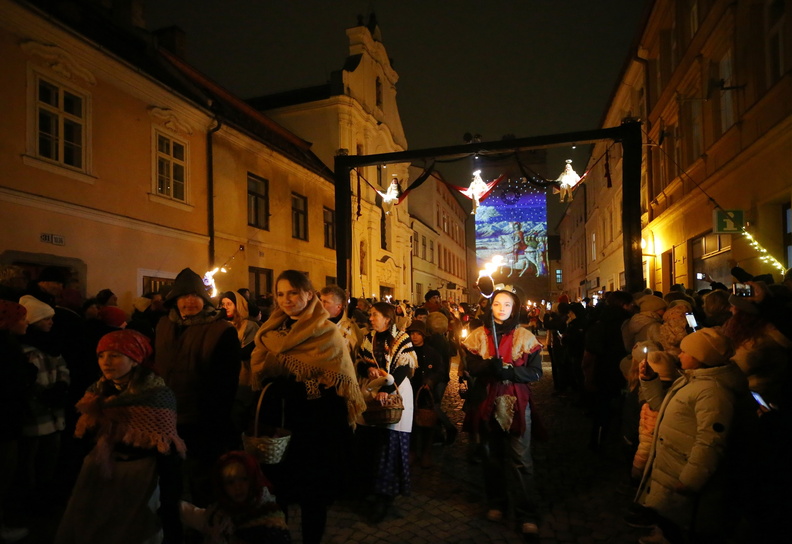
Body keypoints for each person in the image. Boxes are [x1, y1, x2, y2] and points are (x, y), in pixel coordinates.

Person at [249, 270, 364, 544]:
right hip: (279, 421)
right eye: (281, 294)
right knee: (279, 490)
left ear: (309, 295)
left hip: (315, 426)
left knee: (313, 495)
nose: (286, 299)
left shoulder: (327, 332)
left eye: (293, 293)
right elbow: (259, 369)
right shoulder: (270, 332)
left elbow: (339, 382)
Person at [56, 330, 185, 544]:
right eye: (101, 356)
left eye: (115, 355)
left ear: (135, 360)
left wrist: (169, 505)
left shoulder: (157, 396)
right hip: (100, 469)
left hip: (138, 475)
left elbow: (167, 449)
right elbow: (84, 437)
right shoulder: (97, 392)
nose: (106, 362)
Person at [629, 328, 748, 543]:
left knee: (684, 521)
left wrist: (691, 479)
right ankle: (665, 534)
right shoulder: (691, 379)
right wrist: (650, 380)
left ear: (701, 358)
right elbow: (662, 407)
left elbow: (711, 441)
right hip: (672, 463)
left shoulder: (713, 393)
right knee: (669, 514)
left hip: (683, 468)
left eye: (685, 352)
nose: (679, 355)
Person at [155, 267, 241, 507]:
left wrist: (213, 420)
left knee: (202, 481)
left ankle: (207, 521)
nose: (190, 301)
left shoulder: (221, 330)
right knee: (169, 481)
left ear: (205, 299)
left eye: (195, 296)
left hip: (202, 421)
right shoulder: (164, 325)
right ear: (175, 299)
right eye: (184, 296)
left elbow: (225, 384)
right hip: (166, 417)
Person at [462, 290, 543, 536]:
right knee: (491, 456)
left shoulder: (525, 337)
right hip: (487, 400)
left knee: (521, 460)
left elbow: (535, 372)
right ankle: (497, 503)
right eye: (497, 304)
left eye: (507, 305)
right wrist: (487, 365)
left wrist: (511, 372)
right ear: (490, 307)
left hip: (517, 402)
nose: (501, 308)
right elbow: (471, 366)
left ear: (514, 308)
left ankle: (527, 513)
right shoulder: (479, 336)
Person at [356, 301, 418, 523]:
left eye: (375, 315)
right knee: (372, 443)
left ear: (387, 318)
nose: (370, 318)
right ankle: (369, 490)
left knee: (390, 444)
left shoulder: (401, 338)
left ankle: (385, 496)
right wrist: (368, 368)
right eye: (370, 314)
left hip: (395, 392)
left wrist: (387, 388)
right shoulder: (368, 338)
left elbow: (404, 367)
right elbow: (360, 362)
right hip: (373, 392)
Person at [17, 295, 70, 506]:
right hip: (34, 412)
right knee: (30, 457)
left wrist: (62, 385)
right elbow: (23, 379)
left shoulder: (52, 344)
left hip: (53, 411)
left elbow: (62, 366)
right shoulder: (22, 348)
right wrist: (41, 393)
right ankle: (29, 497)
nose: (51, 322)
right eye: (46, 319)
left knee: (50, 455)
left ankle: (46, 492)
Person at [180, 451, 290, 543]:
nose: (238, 487)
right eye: (230, 482)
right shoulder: (220, 514)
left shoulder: (269, 516)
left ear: (253, 480)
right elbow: (198, 518)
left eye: (244, 479)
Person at [0, 301, 36, 543]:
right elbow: (14, 384)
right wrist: (29, 372)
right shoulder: (7, 348)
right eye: (22, 318)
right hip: (5, 423)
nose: (26, 322)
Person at [406, 320, 443, 468]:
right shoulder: (407, 351)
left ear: (423, 335)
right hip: (410, 391)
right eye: (412, 333)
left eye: (418, 334)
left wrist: (430, 381)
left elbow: (440, 371)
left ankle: (426, 452)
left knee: (427, 423)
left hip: (425, 393)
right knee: (411, 423)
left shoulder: (432, 353)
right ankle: (413, 451)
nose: (414, 337)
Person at [319, 284, 364, 358]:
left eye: (325, 302)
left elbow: (358, 356)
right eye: (321, 300)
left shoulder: (351, 329)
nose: (321, 305)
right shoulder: (315, 324)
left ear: (338, 306)